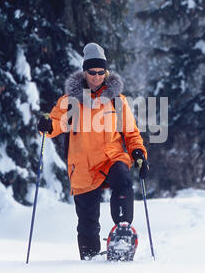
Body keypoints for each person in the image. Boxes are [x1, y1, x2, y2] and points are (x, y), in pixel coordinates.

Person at [38, 42, 148, 260]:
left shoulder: (117, 101)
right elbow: (56, 124)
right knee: (88, 221)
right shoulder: (70, 101)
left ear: (105, 72)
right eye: (92, 72)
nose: (97, 76)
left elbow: (131, 133)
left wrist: (138, 154)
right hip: (83, 166)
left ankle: (123, 233)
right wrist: (47, 126)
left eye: (100, 72)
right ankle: (89, 260)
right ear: (84, 72)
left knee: (124, 180)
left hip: (111, 158)